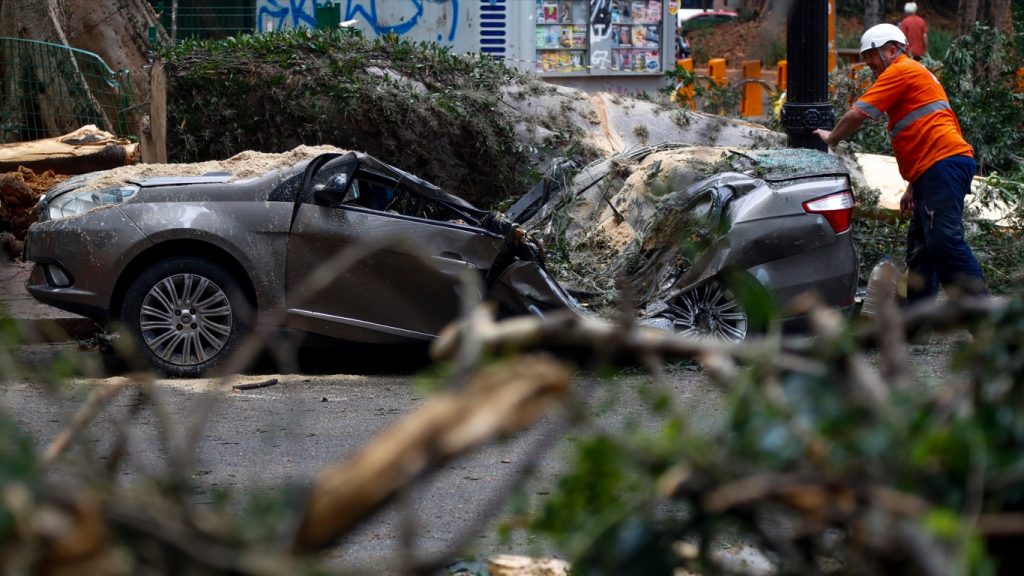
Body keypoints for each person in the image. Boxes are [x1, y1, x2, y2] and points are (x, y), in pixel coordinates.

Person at [813, 23, 986, 304]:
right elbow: (924, 133)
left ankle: (980, 315)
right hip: (938, 167)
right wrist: (913, 187)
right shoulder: (912, 73)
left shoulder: (900, 70)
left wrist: (832, 137)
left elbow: (858, 113)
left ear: (892, 51)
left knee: (945, 243)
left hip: (943, 165)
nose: (867, 62)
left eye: (870, 55)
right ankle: (916, 319)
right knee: (921, 250)